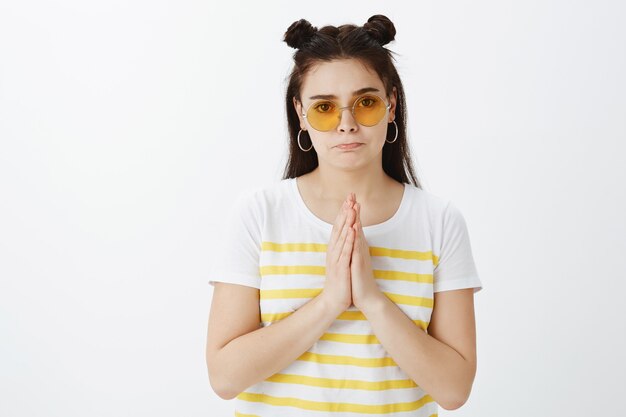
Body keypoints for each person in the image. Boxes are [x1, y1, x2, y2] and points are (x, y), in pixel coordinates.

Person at [205, 14, 483, 416]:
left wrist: (371, 298)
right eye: (324, 108)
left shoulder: (439, 221)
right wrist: (331, 301)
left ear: (391, 105)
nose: (347, 124)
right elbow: (224, 378)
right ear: (300, 114)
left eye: (365, 103)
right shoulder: (259, 213)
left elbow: (454, 389)